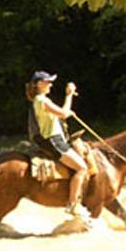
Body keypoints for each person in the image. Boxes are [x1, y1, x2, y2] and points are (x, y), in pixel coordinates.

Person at [26, 70, 90, 220]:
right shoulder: (42, 100)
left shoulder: (41, 100)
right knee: (82, 168)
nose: (51, 84)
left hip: (56, 140)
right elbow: (62, 113)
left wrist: (67, 111)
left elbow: (61, 113)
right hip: (54, 141)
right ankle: (73, 204)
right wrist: (69, 95)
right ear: (40, 84)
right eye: (48, 82)